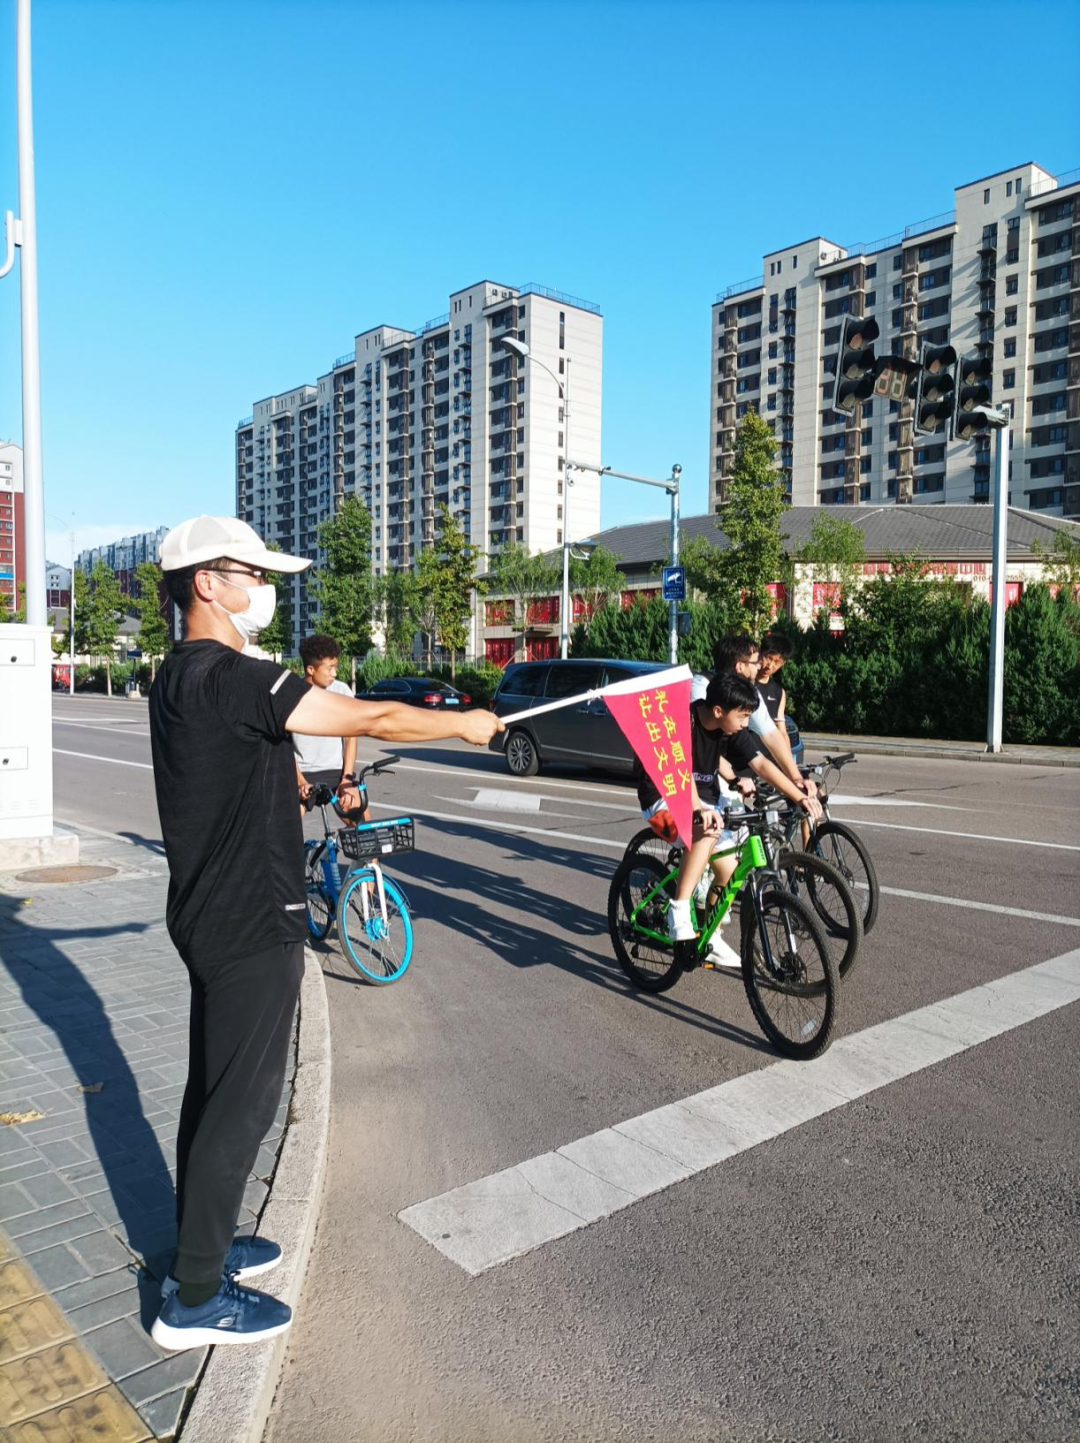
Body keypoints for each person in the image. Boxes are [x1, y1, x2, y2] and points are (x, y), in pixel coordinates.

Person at [148, 516, 501, 1351]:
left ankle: (204, 1243)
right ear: (207, 582)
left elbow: (238, 777)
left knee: (213, 1093)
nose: (263, 588)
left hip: (208, 913)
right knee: (242, 1106)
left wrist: (311, 793)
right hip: (251, 921)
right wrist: (464, 724)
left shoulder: (179, 676)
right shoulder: (237, 675)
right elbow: (371, 715)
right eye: (252, 573)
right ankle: (192, 1297)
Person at [637, 673, 819, 971]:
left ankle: (711, 936)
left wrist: (797, 795)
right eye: (743, 716)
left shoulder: (728, 726)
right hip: (662, 796)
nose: (746, 723)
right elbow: (682, 772)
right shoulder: (682, 722)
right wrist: (699, 809)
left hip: (700, 798)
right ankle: (678, 908)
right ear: (719, 710)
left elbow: (761, 764)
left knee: (729, 868)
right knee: (707, 829)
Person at [695, 633, 816, 798]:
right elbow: (698, 743)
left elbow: (771, 735)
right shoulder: (701, 687)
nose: (759, 667)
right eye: (755, 662)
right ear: (740, 666)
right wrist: (732, 778)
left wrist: (796, 778)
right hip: (697, 774)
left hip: (731, 767)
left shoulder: (747, 691)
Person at [292, 633, 366, 822]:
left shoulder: (341, 691)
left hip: (336, 771)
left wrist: (347, 778)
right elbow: (282, 745)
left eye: (336, 667)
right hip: (302, 773)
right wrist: (299, 781)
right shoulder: (291, 695)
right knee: (284, 830)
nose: (335, 674)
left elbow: (350, 738)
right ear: (311, 669)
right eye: (330, 668)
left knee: (364, 830)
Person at [756, 632, 794, 723]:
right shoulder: (743, 683)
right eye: (768, 658)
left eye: (777, 662)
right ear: (760, 652)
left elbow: (780, 726)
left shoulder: (779, 692)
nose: (769, 666)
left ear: (783, 663)